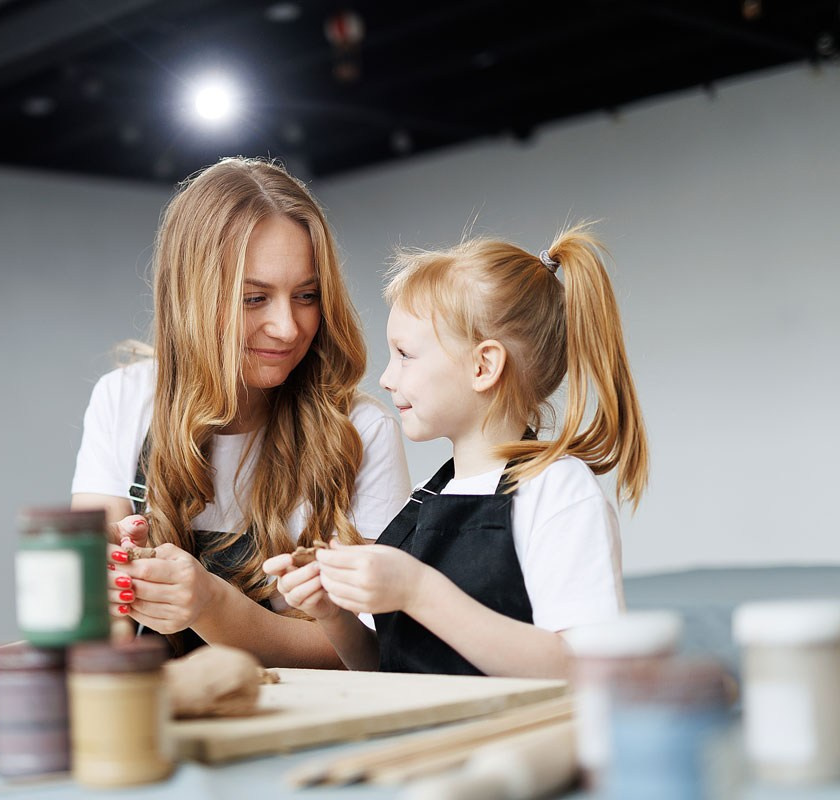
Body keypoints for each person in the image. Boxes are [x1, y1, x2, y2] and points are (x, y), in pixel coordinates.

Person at [265, 223, 648, 678]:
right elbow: (382, 665)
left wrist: (418, 591)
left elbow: (585, 668)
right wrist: (333, 615)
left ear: (483, 366)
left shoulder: (557, 490)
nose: (386, 378)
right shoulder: (426, 499)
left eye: (405, 355)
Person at [71, 157, 411, 667]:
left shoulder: (362, 430)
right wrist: (121, 578)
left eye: (306, 296)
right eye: (254, 298)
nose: (287, 328)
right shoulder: (124, 399)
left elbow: (370, 652)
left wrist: (212, 606)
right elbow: (95, 610)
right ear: (191, 296)